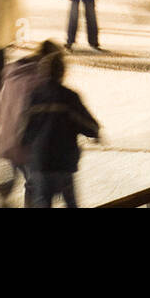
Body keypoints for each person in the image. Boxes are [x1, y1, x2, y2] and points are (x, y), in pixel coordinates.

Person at [21, 51, 102, 207]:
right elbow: (87, 124)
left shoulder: (33, 97)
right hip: (62, 162)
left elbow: (24, 131)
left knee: (42, 202)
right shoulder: (69, 97)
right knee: (70, 202)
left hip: (40, 162)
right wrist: (95, 131)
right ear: (62, 72)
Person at [0, 40, 64, 206]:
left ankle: (5, 190)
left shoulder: (12, 74)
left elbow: (0, 105)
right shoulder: (40, 82)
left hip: (6, 137)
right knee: (35, 185)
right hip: (26, 144)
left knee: (16, 171)